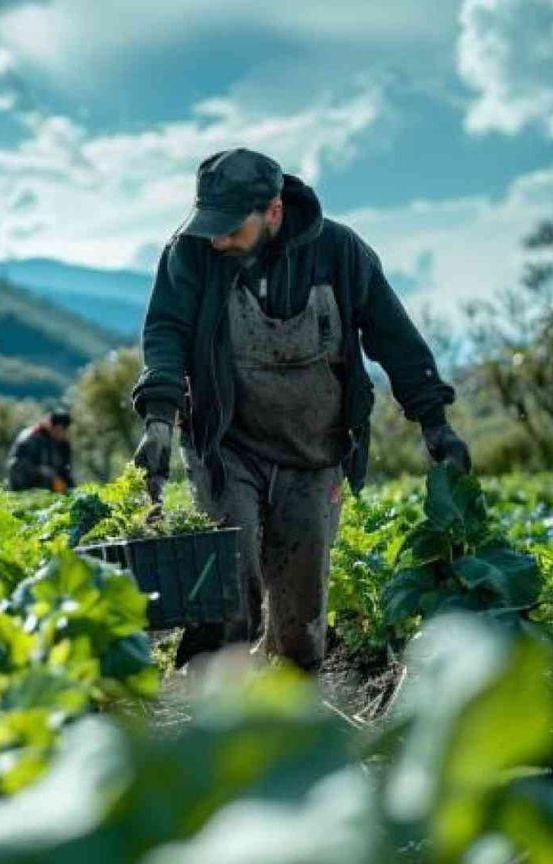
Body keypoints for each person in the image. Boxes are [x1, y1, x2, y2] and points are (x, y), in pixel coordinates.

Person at [130, 148, 471, 671]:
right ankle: (212, 721)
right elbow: (166, 333)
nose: (217, 239)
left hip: (315, 455)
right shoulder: (191, 253)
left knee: (300, 621)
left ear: (273, 211)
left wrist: (435, 422)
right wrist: (158, 419)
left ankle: (293, 727)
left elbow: (393, 338)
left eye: (230, 228)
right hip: (227, 448)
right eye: (209, 226)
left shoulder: (340, 253)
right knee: (226, 594)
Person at [6, 408, 75, 493]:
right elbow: (16, 464)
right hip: (26, 490)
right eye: (59, 429)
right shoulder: (30, 438)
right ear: (50, 425)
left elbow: (65, 472)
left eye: (64, 430)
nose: (62, 433)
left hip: (52, 494)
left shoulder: (63, 444)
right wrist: (42, 472)